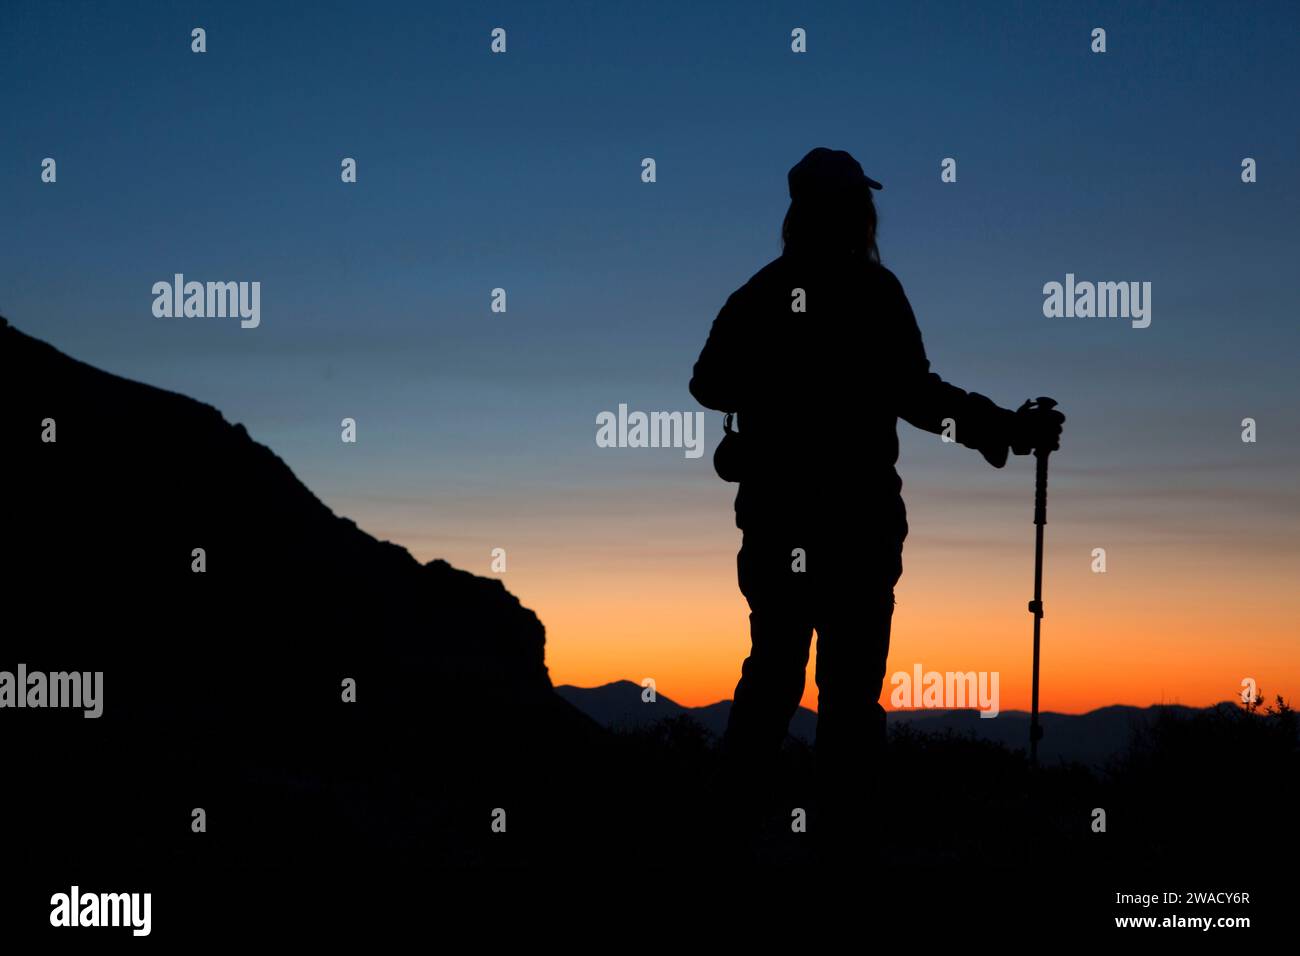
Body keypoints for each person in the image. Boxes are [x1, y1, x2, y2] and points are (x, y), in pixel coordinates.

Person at [689, 147, 1064, 856]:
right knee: (850, 695)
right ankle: (847, 847)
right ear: (855, 212)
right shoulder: (872, 291)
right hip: (858, 527)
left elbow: (707, 384)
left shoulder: (760, 293)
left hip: (778, 526)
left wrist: (774, 392)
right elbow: (917, 395)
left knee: (771, 678)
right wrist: (1005, 430)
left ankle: (727, 837)